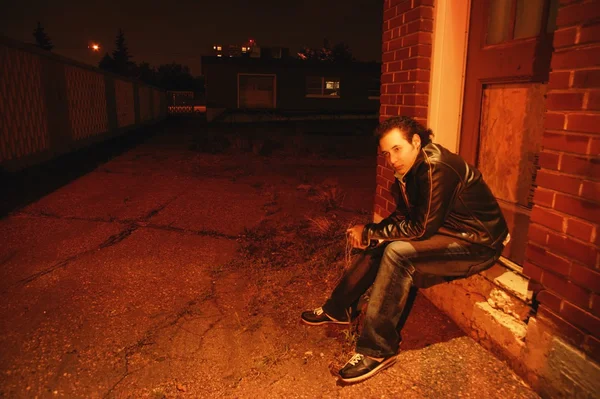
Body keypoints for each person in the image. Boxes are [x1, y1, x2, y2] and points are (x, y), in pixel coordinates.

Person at [301, 116, 509, 384]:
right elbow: (402, 217)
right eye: (387, 153)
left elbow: (420, 229)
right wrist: (372, 232)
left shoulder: (436, 168)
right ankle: (339, 308)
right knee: (383, 243)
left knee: (397, 253)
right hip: (448, 232)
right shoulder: (409, 172)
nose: (392, 159)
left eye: (397, 149)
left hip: (478, 243)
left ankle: (377, 350)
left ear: (416, 141)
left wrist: (370, 232)